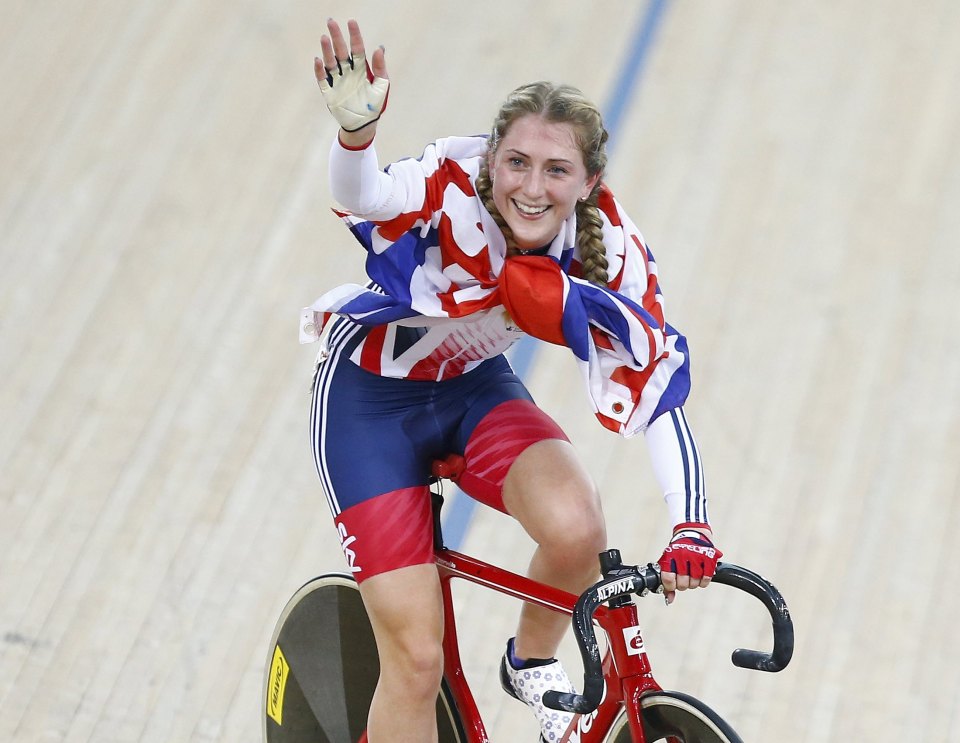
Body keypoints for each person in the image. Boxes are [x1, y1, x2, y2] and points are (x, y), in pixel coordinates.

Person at [301, 18, 722, 743]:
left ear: (589, 182)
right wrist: (356, 135)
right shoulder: (447, 185)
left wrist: (692, 523)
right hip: (369, 402)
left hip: (470, 387)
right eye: (516, 163)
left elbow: (658, 388)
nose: (531, 188)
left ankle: (530, 661)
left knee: (579, 527)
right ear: (491, 159)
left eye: (556, 170)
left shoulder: (611, 251)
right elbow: (363, 195)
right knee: (414, 661)